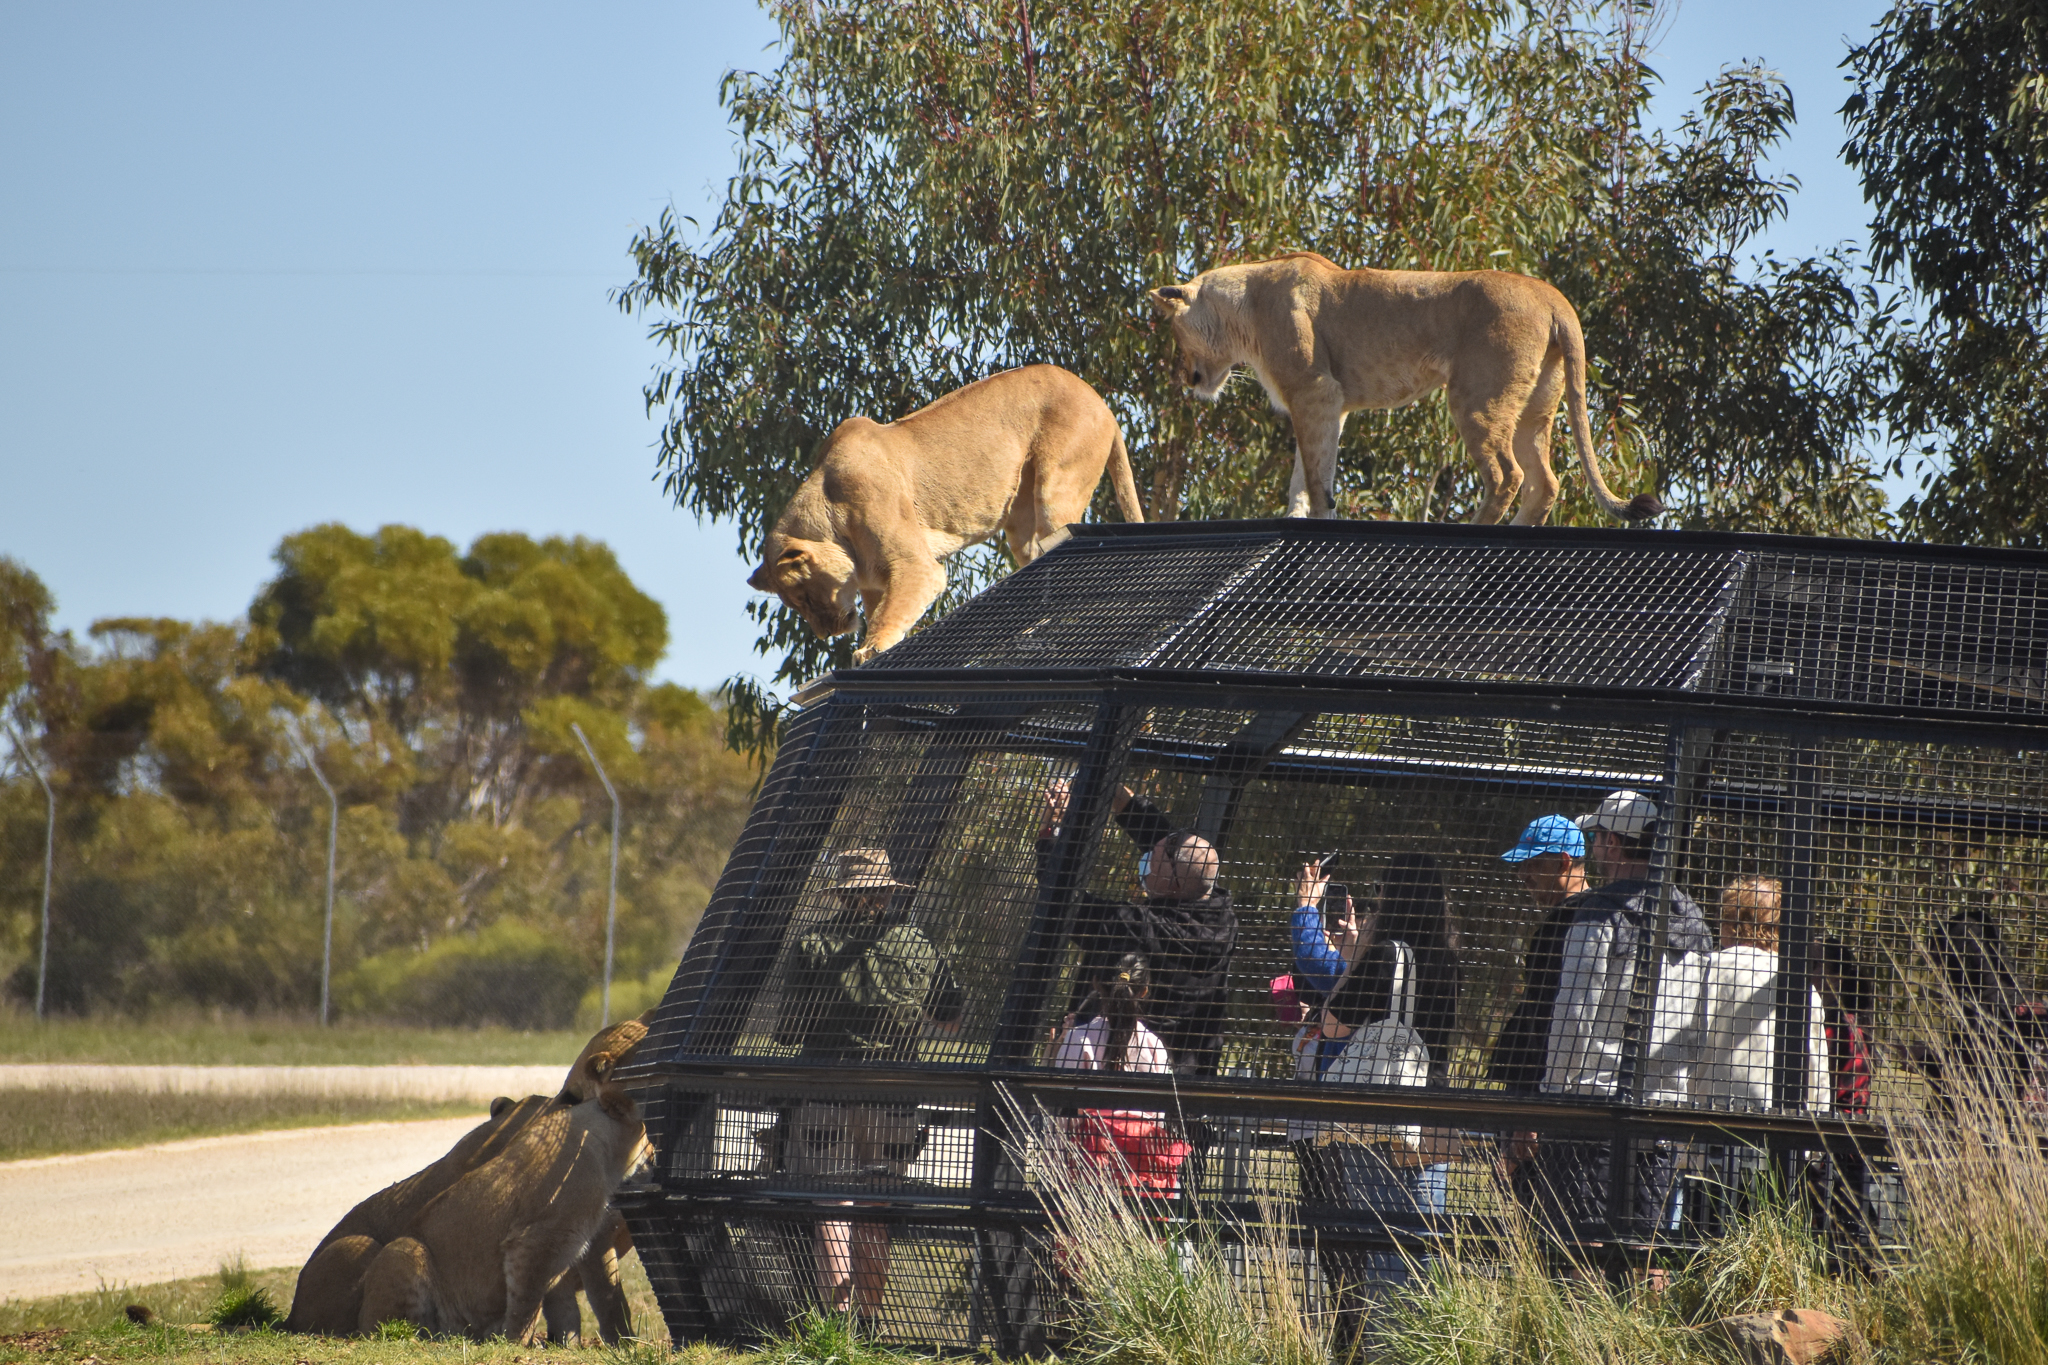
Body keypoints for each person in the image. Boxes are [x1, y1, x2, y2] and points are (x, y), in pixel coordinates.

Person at [777, 848, 966, 1319]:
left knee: (831, 1204)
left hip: (825, 1089)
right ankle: (869, 1323)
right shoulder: (917, 944)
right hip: (895, 1095)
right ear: (886, 891)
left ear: (842, 894)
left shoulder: (812, 944)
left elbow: (788, 1029)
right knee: (876, 1206)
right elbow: (951, 1021)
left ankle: (835, 1327)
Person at [1531, 792, 1711, 1238]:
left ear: (1612, 842)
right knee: (1648, 1252)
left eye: (1596, 838)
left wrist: (1552, 1097)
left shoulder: (1597, 913)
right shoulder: (1693, 920)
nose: (1592, 849)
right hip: (1663, 1114)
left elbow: (1574, 1015)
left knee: (1581, 1252)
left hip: (1590, 1113)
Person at [1038, 780, 1238, 1076]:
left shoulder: (1136, 926)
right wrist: (1104, 782)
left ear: (1171, 879)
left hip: (1109, 1074)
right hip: (1186, 1084)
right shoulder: (1222, 913)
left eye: (1153, 857)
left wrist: (1051, 829)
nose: (1146, 857)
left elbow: (1059, 896)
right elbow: (1174, 849)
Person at [1052, 953, 1191, 1194]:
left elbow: (1062, 1107)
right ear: (1144, 991)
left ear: (1096, 984)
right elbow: (1158, 1116)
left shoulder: (1078, 1038)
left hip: (1091, 1164)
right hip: (1143, 1165)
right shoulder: (1155, 1045)